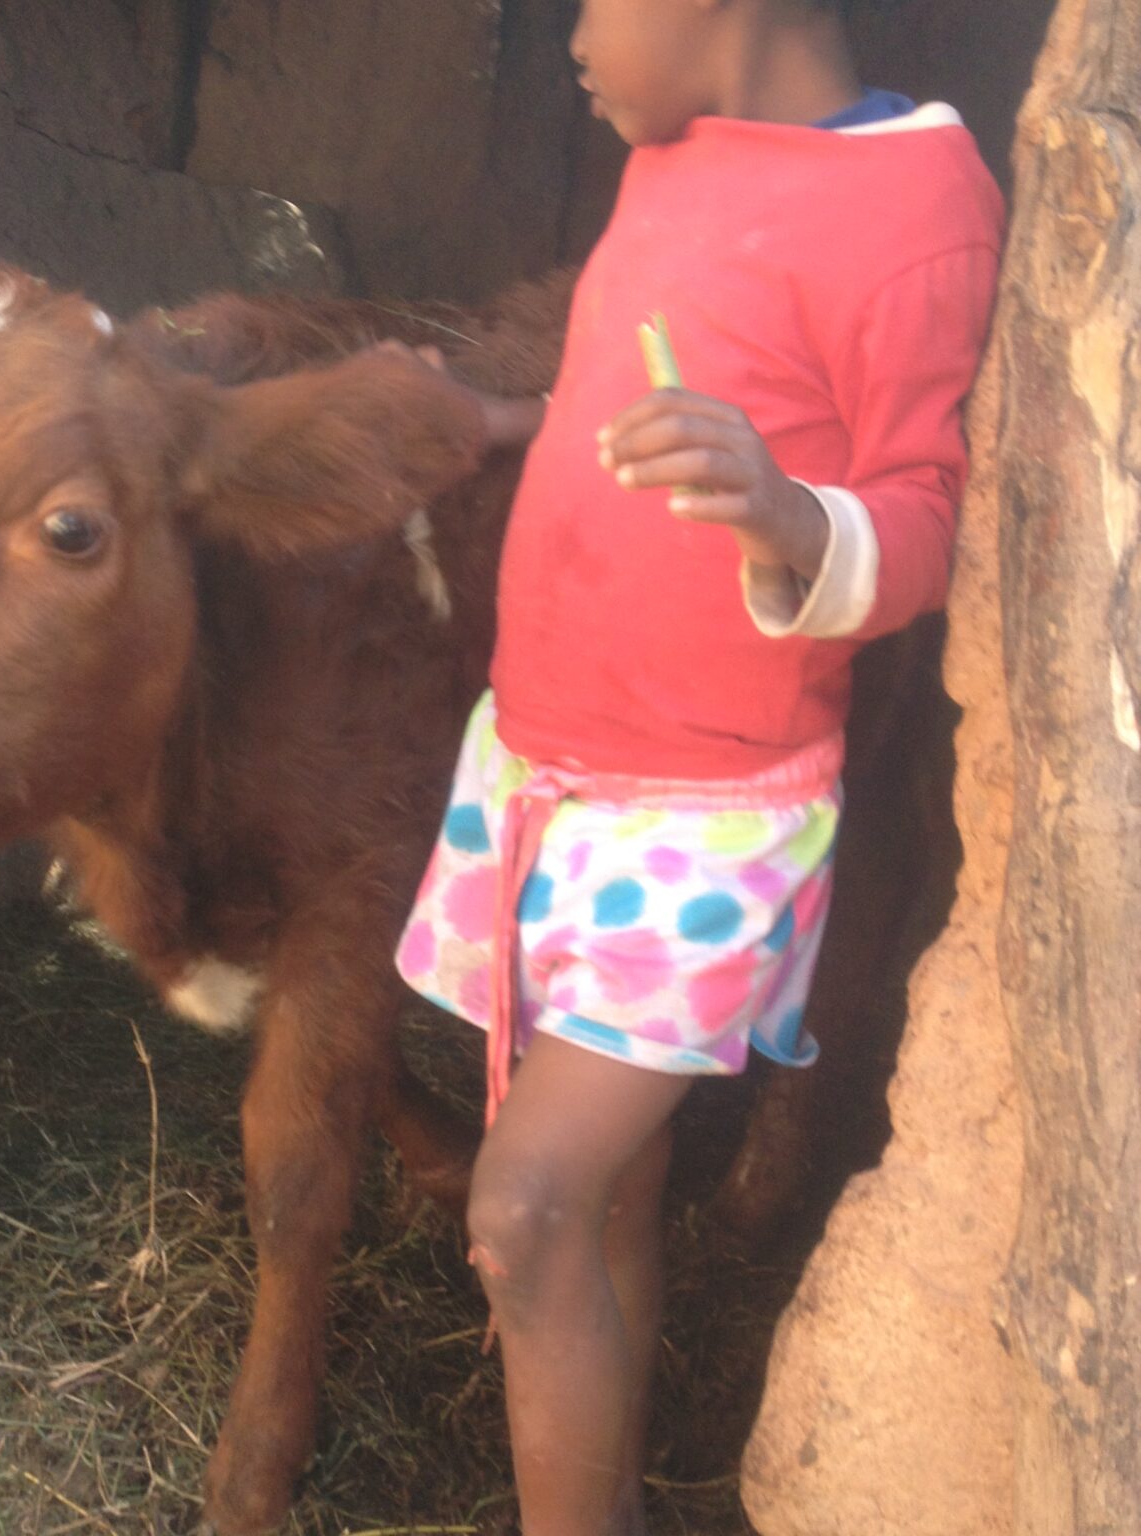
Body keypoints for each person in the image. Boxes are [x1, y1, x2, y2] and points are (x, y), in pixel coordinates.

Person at [392, 1, 1004, 1532]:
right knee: (612, 1190)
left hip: (706, 818)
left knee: (526, 1210)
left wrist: (791, 515)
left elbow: (928, 511)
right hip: (543, 763)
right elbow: (630, 401)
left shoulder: (920, 203)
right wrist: (497, 419)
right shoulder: (674, 158)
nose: (572, 40)